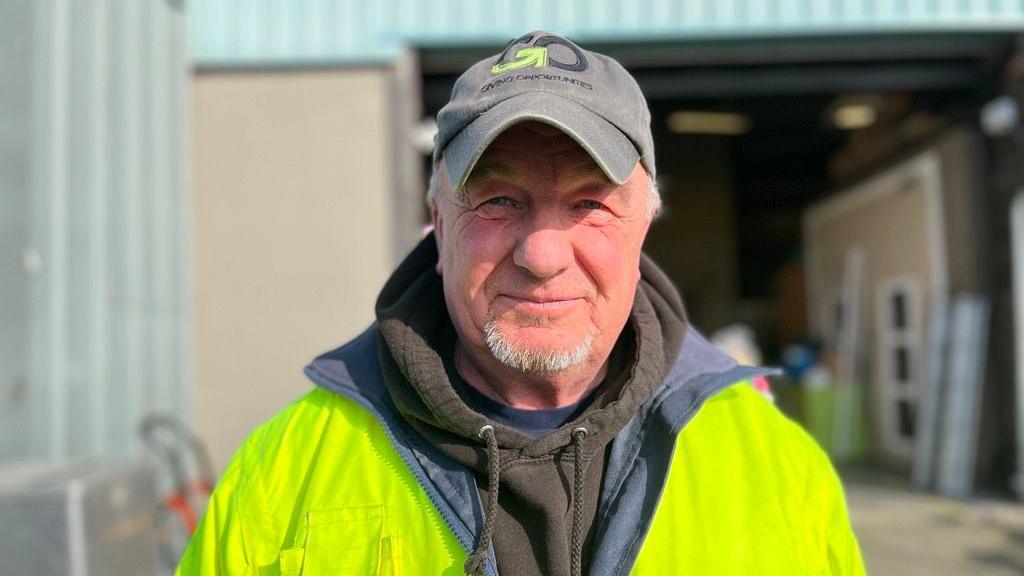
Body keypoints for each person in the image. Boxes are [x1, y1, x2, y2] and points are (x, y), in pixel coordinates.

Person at [177, 30, 865, 576]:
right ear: (439, 226)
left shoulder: (780, 470)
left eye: (589, 203)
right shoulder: (282, 476)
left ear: (643, 224)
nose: (542, 253)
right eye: (499, 201)